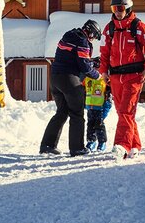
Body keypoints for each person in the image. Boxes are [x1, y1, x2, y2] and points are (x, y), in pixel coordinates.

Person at [99, 0, 145, 162]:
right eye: (114, 8)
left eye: (120, 8)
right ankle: (134, 145)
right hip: (115, 77)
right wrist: (104, 71)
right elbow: (104, 52)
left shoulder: (139, 27)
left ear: (128, 8)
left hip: (134, 76)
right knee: (123, 112)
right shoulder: (109, 29)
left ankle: (121, 146)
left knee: (126, 110)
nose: (117, 12)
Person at [40, 20, 102, 157]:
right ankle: (77, 148)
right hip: (70, 80)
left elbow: (72, 58)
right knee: (77, 114)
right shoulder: (83, 41)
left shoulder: (69, 35)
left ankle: (47, 145)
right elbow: (84, 67)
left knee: (62, 112)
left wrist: (91, 62)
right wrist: (98, 76)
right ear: (90, 32)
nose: (92, 39)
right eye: (94, 36)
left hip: (55, 78)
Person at [84, 71, 112, 152]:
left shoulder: (104, 79)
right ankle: (91, 141)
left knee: (99, 125)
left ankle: (102, 142)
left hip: (100, 107)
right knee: (90, 125)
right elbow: (83, 88)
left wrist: (107, 105)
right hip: (90, 107)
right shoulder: (87, 79)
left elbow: (109, 92)